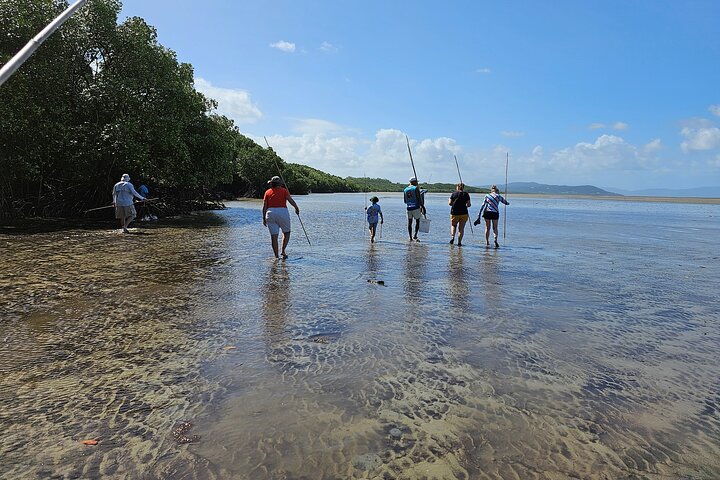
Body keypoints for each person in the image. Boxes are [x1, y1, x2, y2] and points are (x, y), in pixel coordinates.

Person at [262, 175, 300, 259]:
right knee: (287, 232)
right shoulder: (284, 191)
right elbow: (290, 200)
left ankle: (276, 256)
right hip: (282, 212)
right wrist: (296, 208)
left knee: (274, 236)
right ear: (280, 184)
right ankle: (283, 251)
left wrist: (263, 218)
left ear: (272, 184)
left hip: (270, 213)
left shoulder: (267, 192)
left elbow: (264, 206)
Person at [403, 177, 426, 241]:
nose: (417, 183)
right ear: (413, 182)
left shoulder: (405, 189)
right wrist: (423, 207)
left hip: (408, 208)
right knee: (417, 221)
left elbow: (405, 201)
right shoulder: (415, 188)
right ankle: (415, 235)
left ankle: (410, 237)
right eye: (416, 182)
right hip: (416, 207)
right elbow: (419, 199)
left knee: (409, 223)